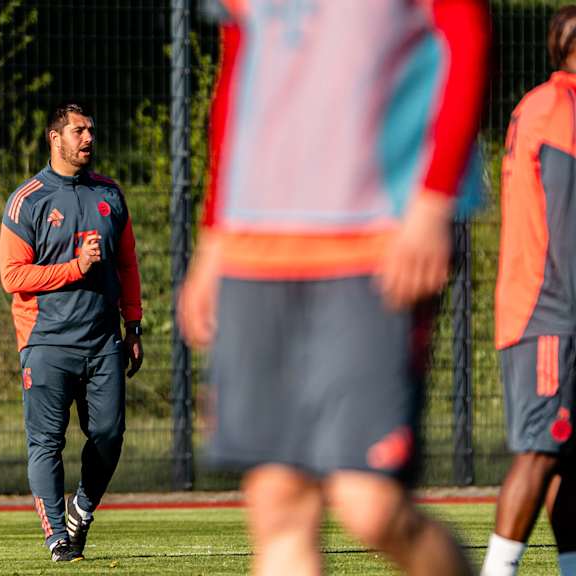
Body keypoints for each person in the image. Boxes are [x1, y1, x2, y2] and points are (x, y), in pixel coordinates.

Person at [180, 1, 489, 574]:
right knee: (277, 505)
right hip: (259, 245)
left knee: (369, 505)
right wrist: (215, 238)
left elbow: (464, 37)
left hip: (376, 240)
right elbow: (239, 70)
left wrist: (432, 199)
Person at [0, 102, 144, 563]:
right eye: (78, 131)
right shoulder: (29, 200)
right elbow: (12, 277)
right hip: (46, 343)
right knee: (46, 443)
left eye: (91, 131)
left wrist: (133, 323)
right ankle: (58, 538)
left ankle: (81, 508)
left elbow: (127, 264)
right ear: (54, 138)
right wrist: (73, 269)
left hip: (103, 342)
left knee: (109, 434)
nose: (88, 139)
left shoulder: (110, 194)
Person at [481, 7, 576, 576]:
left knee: (566, 457)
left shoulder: (537, 104)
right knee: (541, 448)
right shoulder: (562, 110)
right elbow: (567, 226)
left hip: (538, 307)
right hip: (552, 311)